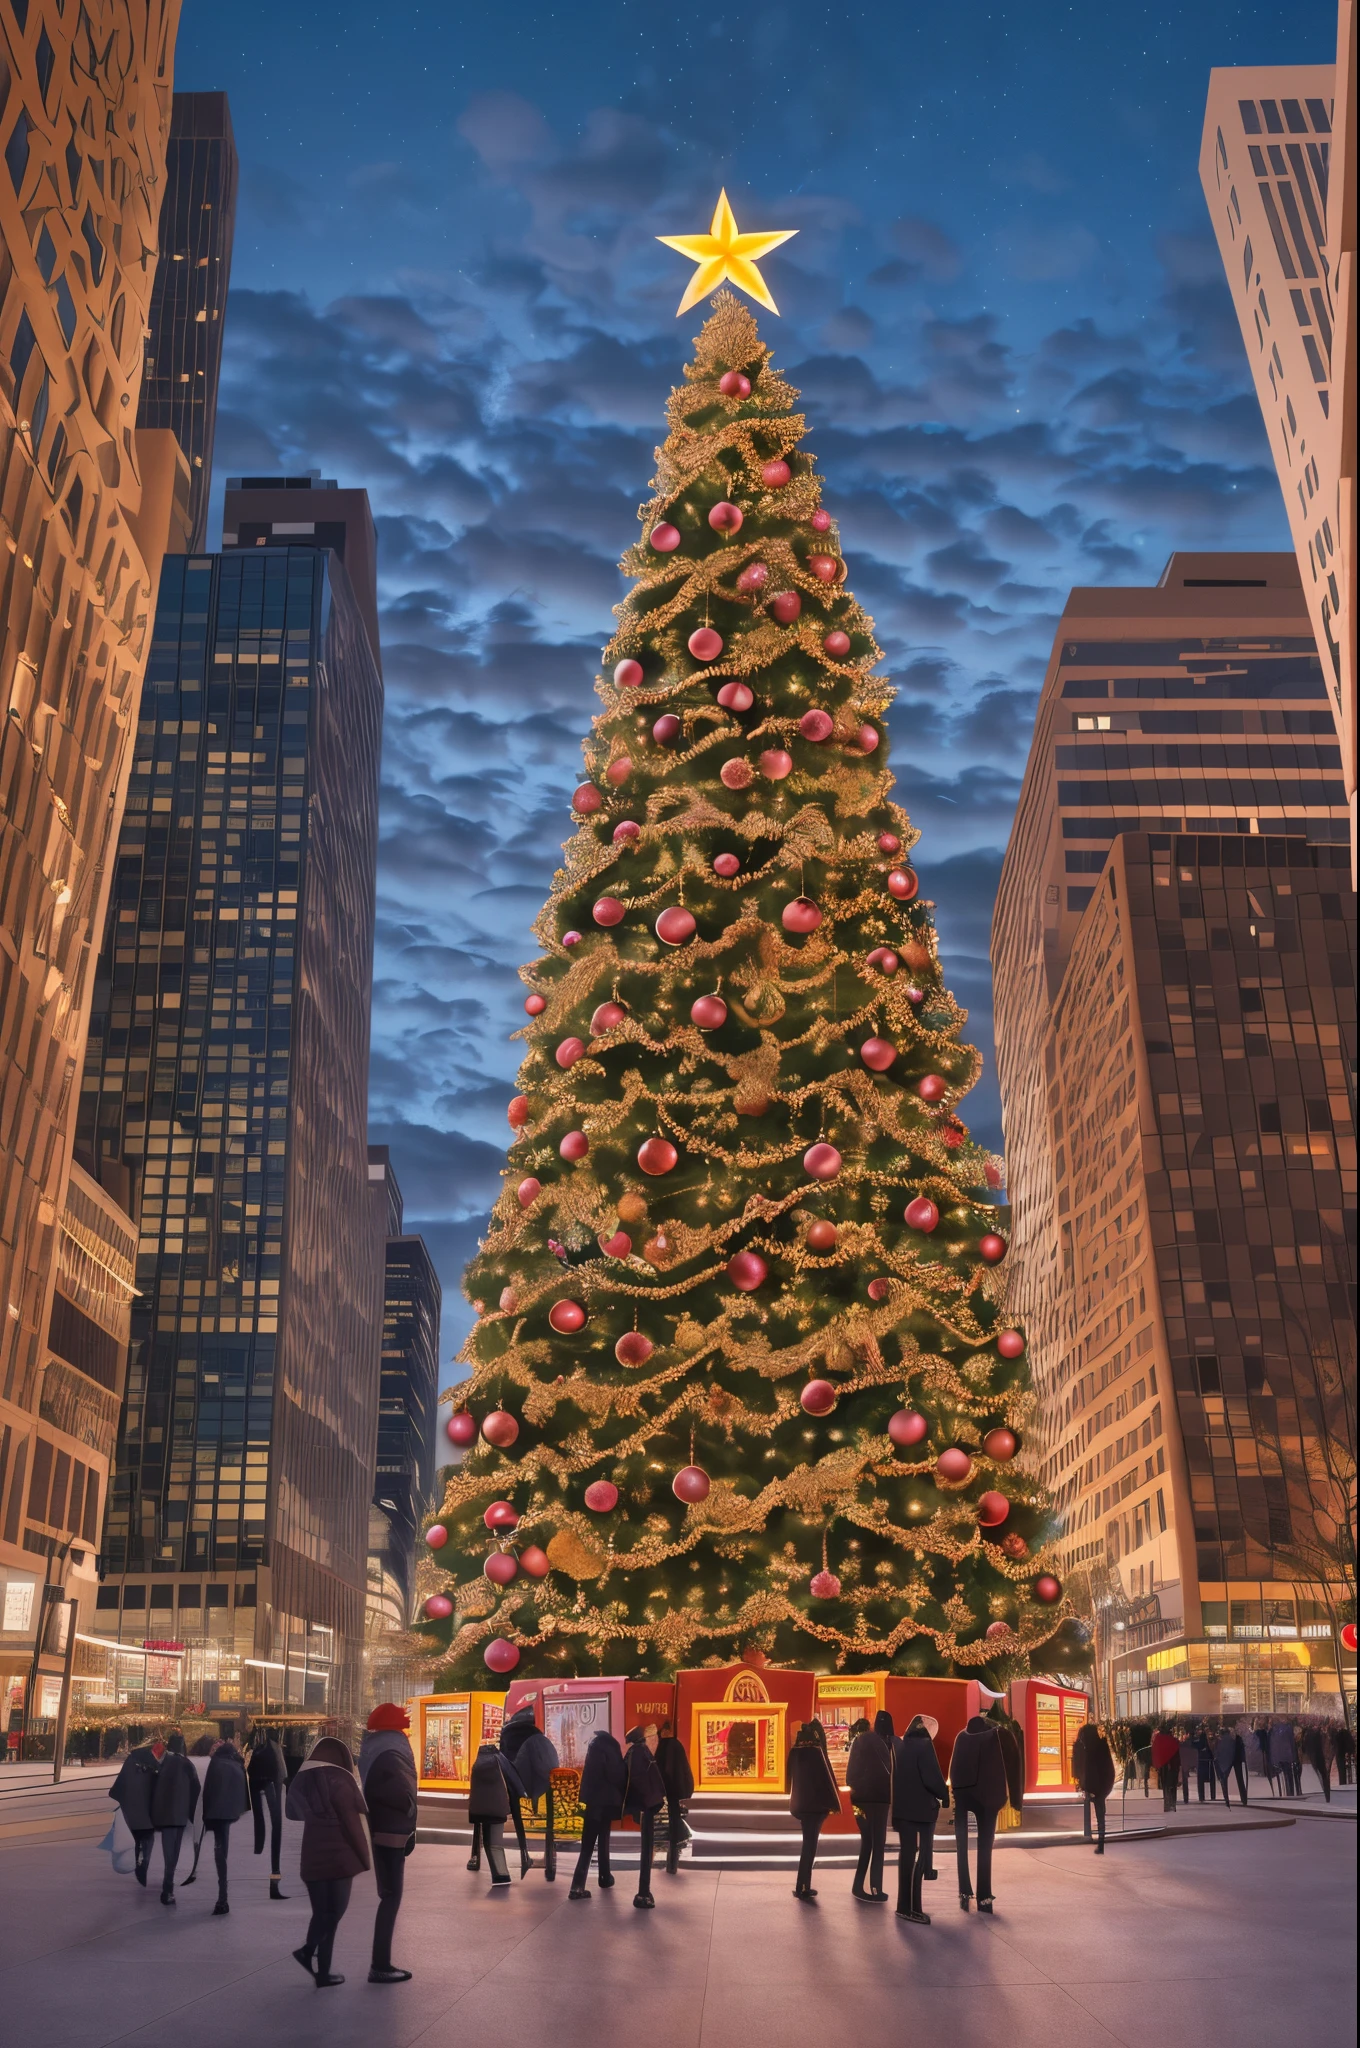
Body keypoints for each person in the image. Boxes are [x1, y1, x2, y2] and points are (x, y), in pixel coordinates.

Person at [285, 1736, 371, 1987]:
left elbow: (293, 1812)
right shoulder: (341, 1781)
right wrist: (365, 1858)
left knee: (321, 1914)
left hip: (312, 1857)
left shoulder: (305, 1780)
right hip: (339, 1859)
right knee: (335, 1913)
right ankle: (308, 1951)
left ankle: (323, 1973)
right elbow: (353, 1825)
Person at [359, 1703, 419, 1981]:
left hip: (380, 1825)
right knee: (392, 1896)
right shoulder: (394, 1747)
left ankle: (380, 1963)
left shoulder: (372, 1746)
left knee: (388, 1895)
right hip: (393, 1827)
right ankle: (380, 1965)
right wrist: (409, 1817)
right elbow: (402, 1787)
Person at [892, 1715, 948, 1923]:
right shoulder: (924, 1746)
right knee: (922, 1857)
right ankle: (915, 1908)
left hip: (902, 1811)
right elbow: (932, 1778)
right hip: (922, 1812)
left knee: (906, 1856)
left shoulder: (899, 1745)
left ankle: (902, 1906)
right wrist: (944, 1794)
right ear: (927, 1729)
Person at [948, 1714, 1007, 1912]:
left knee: (961, 1844)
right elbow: (999, 1769)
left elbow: (954, 1768)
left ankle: (964, 1890)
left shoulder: (961, 1737)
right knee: (985, 1847)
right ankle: (984, 1896)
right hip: (987, 1797)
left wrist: (956, 1790)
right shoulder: (993, 1738)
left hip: (963, 1794)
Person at [500, 1705, 560, 1879]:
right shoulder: (538, 1739)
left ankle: (524, 1855)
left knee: (517, 1824)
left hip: (515, 1783)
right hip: (541, 1785)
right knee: (549, 1824)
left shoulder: (509, 1736)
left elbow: (504, 1759)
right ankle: (548, 1857)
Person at [787, 1721, 841, 1903]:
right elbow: (825, 1780)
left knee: (807, 1846)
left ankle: (803, 1885)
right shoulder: (817, 1753)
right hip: (816, 1808)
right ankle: (802, 1886)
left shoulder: (794, 1752)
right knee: (810, 1847)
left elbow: (789, 1781)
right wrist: (832, 1805)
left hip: (800, 1805)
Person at [570, 1729, 627, 1900]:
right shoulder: (611, 1748)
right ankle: (581, 1885)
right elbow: (617, 1774)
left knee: (588, 1843)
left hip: (593, 1802)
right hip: (607, 1802)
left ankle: (602, 1877)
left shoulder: (593, 1748)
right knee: (602, 1840)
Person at [845, 1714, 892, 1902]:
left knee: (867, 1843)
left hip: (862, 1799)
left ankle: (859, 1885)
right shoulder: (888, 1743)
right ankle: (874, 1887)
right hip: (881, 1798)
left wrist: (856, 1790)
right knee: (878, 1843)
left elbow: (851, 1774)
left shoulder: (860, 1741)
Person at [150, 1732, 200, 1905]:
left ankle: (167, 1885)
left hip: (163, 1815)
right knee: (174, 1852)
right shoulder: (187, 1765)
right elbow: (196, 1789)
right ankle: (167, 1888)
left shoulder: (160, 1763)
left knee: (167, 1851)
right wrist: (192, 1815)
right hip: (179, 1815)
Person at [201, 1739, 249, 1913]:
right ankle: (223, 1897)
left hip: (216, 1814)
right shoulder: (237, 1764)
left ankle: (223, 1898)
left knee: (219, 1854)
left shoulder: (216, 1763)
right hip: (230, 1814)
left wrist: (205, 1816)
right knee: (222, 1851)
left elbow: (208, 1790)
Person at [467, 1740, 525, 1886]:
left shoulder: (477, 1766)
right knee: (495, 1844)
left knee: (489, 1843)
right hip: (498, 1809)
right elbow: (514, 1781)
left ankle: (500, 1875)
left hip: (481, 1810)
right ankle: (501, 1875)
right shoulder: (499, 1761)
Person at [622, 1726, 667, 1908]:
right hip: (647, 1805)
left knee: (646, 1848)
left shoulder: (632, 1753)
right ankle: (643, 1892)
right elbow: (647, 1778)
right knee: (646, 1848)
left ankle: (644, 1891)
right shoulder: (642, 1753)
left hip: (643, 1804)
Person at [108, 1738, 160, 1887]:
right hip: (148, 1812)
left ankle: (138, 1861)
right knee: (147, 1839)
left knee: (136, 1839)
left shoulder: (130, 1762)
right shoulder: (155, 1765)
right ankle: (143, 1865)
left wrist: (121, 1802)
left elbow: (117, 1788)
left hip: (130, 1812)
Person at [247, 1728, 289, 1899]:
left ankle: (274, 1877)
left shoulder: (263, 1749)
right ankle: (274, 1878)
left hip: (264, 1778)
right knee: (276, 1824)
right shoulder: (274, 1749)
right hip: (272, 1779)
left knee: (271, 1823)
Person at [654, 1719, 695, 1876]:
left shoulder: (661, 1747)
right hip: (676, 1791)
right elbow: (684, 1771)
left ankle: (672, 1860)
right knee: (674, 1819)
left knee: (670, 1823)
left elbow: (662, 1770)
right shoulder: (676, 1746)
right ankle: (673, 1859)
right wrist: (686, 1791)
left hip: (665, 1791)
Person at [1075, 1722, 1116, 1851]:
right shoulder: (1101, 1746)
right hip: (1102, 1786)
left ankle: (1100, 1842)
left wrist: (1087, 1786)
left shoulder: (1090, 1750)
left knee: (1098, 1813)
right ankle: (1100, 1841)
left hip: (1095, 1786)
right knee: (1100, 1814)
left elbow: (1087, 1770)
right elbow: (1109, 1769)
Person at [182, 1734, 214, 1885]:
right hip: (201, 1804)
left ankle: (183, 1867)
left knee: (185, 1837)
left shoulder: (186, 1760)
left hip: (185, 1802)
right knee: (197, 1837)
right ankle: (192, 1869)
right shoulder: (211, 1762)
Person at [1150, 1724, 1181, 1812]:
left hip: (1163, 1767)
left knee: (1165, 1786)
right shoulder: (1174, 1741)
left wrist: (1156, 1765)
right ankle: (1172, 1804)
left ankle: (1166, 1803)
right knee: (1172, 1786)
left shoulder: (1158, 1740)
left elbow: (1154, 1752)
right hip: (1173, 1766)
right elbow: (1177, 1755)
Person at [1299, 1722, 1331, 1804]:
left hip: (1312, 1759)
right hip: (1319, 1758)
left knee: (1318, 1777)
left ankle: (1322, 1796)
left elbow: (1303, 1749)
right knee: (1323, 1776)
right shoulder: (1318, 1735)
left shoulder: (1307, 1736)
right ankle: (1326, 1796)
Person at [1269, 1718, 1299, 1798]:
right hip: (1286, 1756)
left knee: (1285, 1775)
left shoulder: (1274, 1729)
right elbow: (1291, 1743)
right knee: (1288, 1775)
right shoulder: (1286, 1728)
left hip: (1281, 1756)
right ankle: (1290, 1792)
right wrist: (1294, 1757)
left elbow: (1273, 1745)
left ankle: (1286, 1793)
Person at [1213, 1724, 1238, 1809]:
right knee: (1225, 1780)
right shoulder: (1232, 1741)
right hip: (1229, 1763)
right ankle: (1227, 1798)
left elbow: (1216, 1752)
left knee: (1223, 1781)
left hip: (1221, 1763)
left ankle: (1226, 1798)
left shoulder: (1219, 1741)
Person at [1194, 1724, 1217, 1802]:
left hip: (1202, 1763)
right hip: (1208, 1764)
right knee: (1211, 1780)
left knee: (1201, 1781)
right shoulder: (1208, 1744)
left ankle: (1201, 1797)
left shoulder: (1198, 1744)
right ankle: (1212, 1796)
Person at [1177, 1725, 1197, 1806]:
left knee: (1181, 1781)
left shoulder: (1182, 1745)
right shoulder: (1189, 1745)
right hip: (1185, 1765)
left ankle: (1183, 1798)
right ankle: (1186, 1798)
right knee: (1185, 1782)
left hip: (1181, 1764)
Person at [1332, 1721, 1355, 1788]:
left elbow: (1334, 1744)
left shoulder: (1337, 1734)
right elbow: (1352, 1744)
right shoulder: (1347, 1733)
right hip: (1345, 1753)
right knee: (1345, 1769)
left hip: (1340, 1754)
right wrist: (1349, 1751)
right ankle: (1345, 1782)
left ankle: (1342, 1783)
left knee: (1341, 1770)